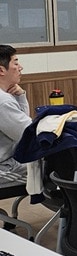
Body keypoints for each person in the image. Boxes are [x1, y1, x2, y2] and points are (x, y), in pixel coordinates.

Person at [0, 45, 28, 175]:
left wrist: (20, 95)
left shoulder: (5, 97)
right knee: (51, 166)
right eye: (15, 63)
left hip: (7, 162)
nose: (20, 67)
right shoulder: (3, 101)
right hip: (4, 169)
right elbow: (28, 135)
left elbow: (21, 124)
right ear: (1, 70)